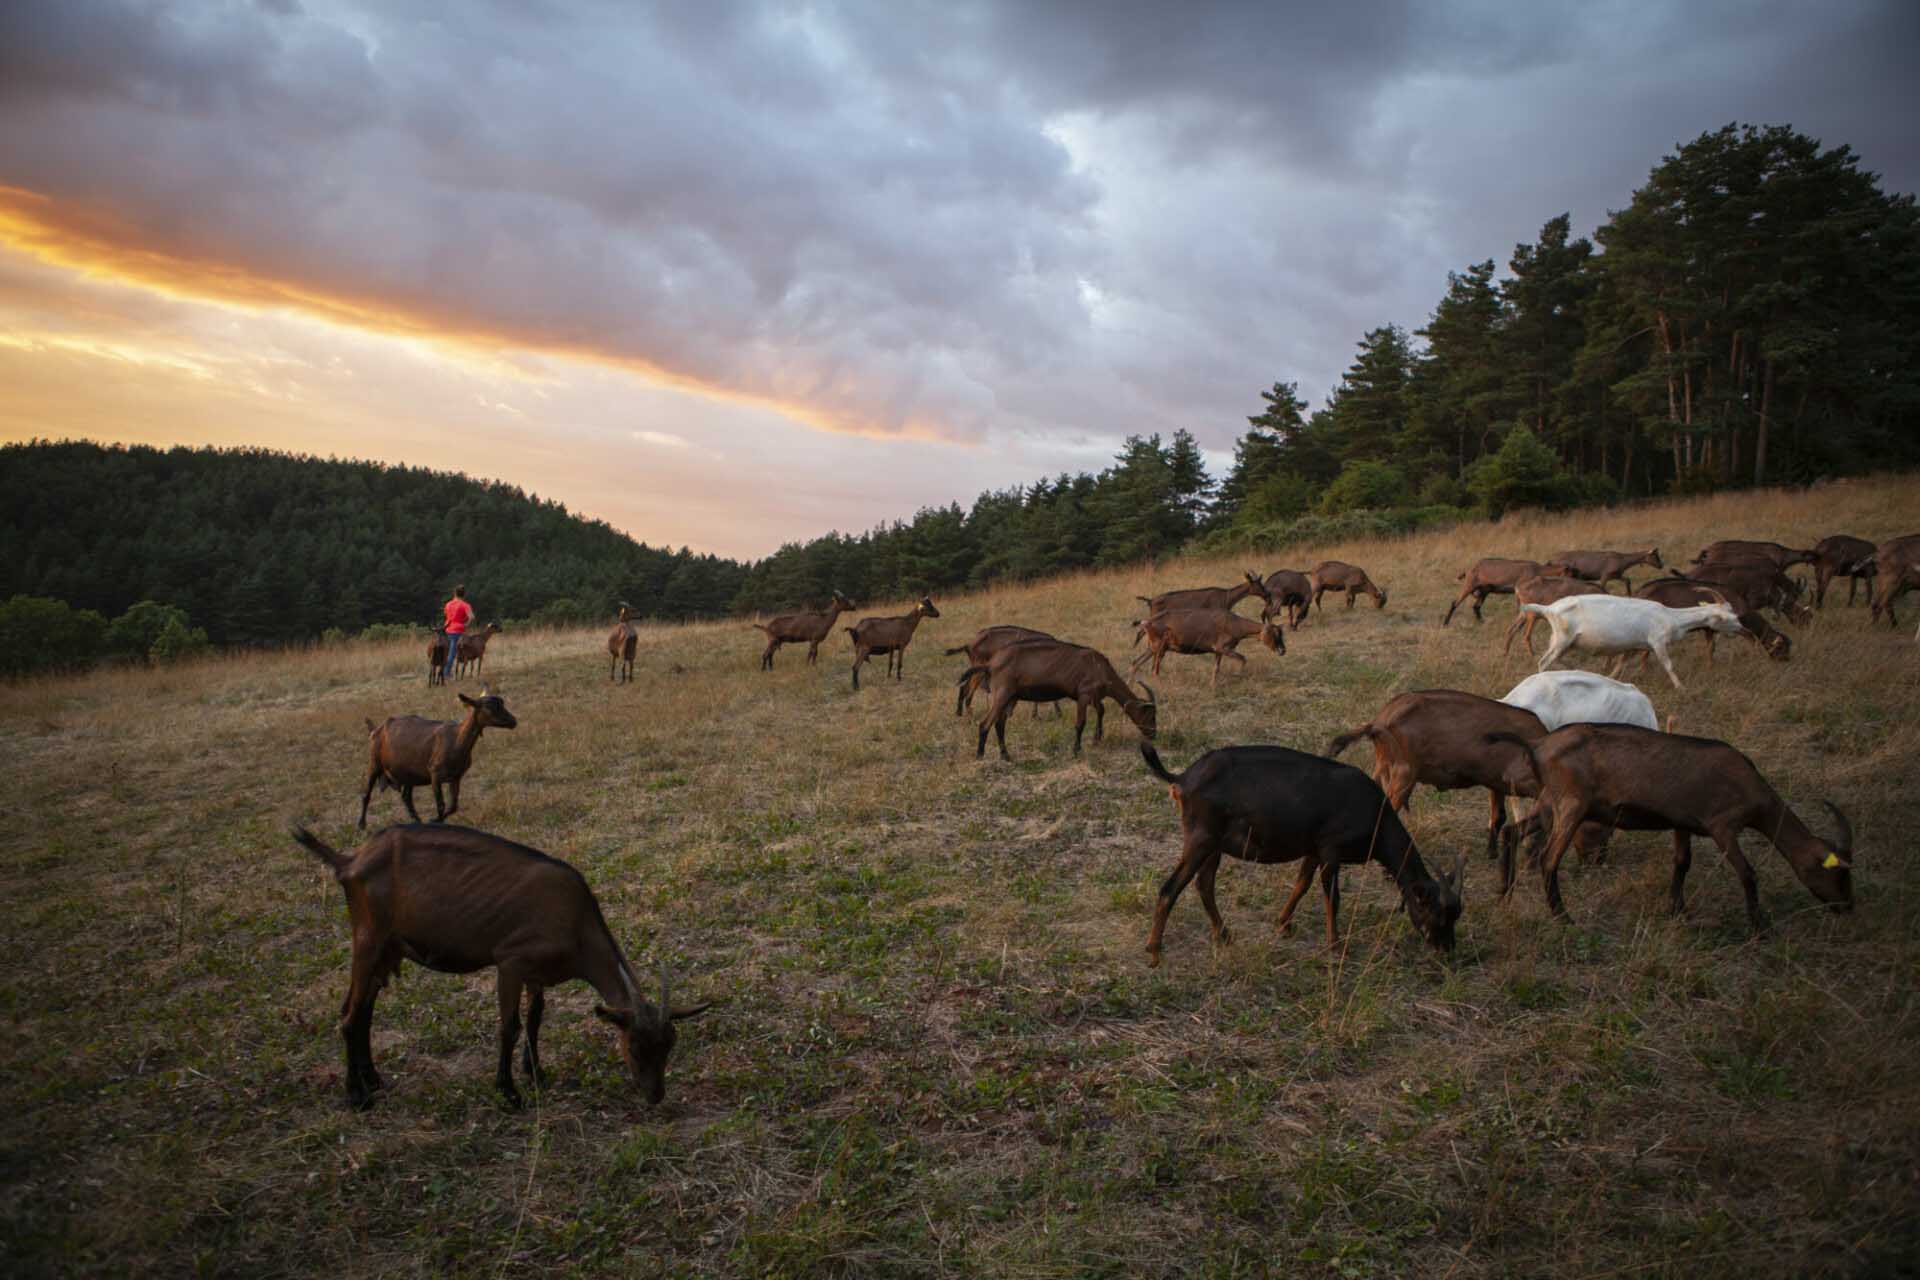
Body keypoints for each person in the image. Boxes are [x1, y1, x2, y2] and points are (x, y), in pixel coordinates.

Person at [441, 584, 473, 683]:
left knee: (444, 652)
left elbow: (446, 615)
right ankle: (446, 673)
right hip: (457, 631)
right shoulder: (465, 605)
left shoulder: (448, 604)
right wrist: (466, 624)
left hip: (446, 629)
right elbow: (471, 617)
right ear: (464, 594)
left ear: (454, 593)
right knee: (452, 653)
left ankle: (443, 670)